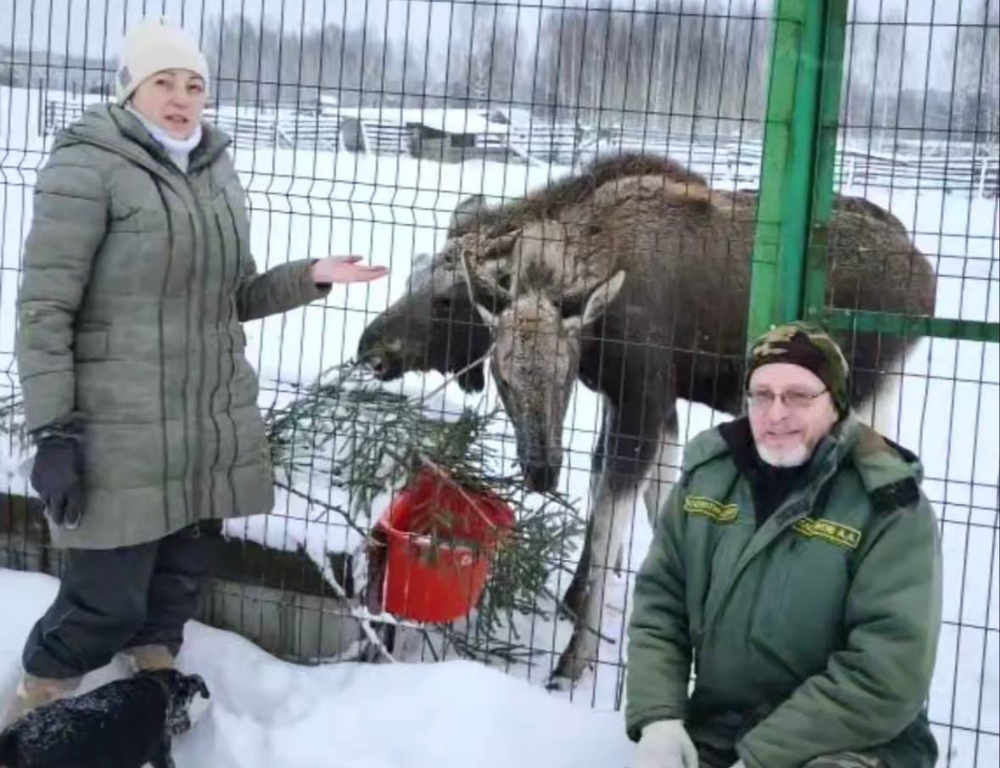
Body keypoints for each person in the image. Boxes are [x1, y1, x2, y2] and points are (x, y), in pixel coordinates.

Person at [3, 17, 388, 725]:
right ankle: (37, 698)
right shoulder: (87, 164)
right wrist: (55, 430)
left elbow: (233, 295)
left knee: (178, 574)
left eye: (194, 85)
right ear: (131, 89)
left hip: (202, 418)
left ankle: (154, 673)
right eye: (163, 83)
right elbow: (44, 309)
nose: (182, 99)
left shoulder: (214, 167)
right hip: (118, 422)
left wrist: (310, 276)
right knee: (104, 596)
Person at [625, 322, 942, 768]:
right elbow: (661, 607)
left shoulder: (889, 507)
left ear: (835, 404)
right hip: (720, 732)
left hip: (851, 745)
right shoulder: (708, 481)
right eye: (762, 395)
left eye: (798, 396)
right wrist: (659, 718)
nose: (776, 414)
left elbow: (885, 672)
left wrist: (761, 755)